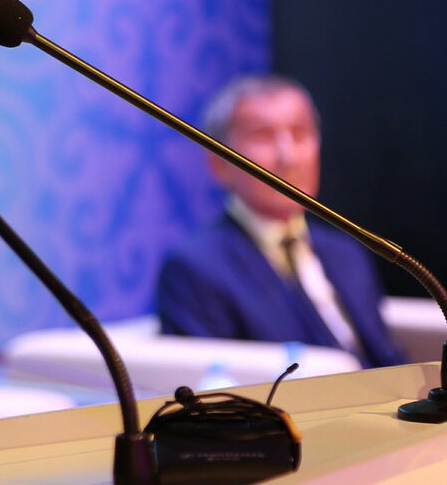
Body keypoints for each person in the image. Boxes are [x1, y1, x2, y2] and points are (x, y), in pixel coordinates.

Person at [154, 74, 406, 367]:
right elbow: (217, 386)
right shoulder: (195, 268)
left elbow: (386, 356)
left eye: (300, 134)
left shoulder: (347, 252)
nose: (289, 157)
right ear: (219, 164)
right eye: (263, 137)